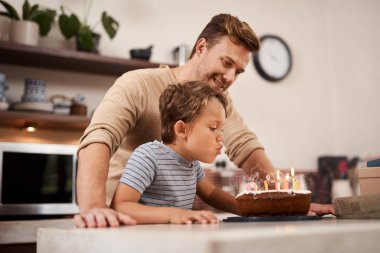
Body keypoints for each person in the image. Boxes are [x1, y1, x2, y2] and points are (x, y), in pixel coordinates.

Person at [74, 13, 334, 228]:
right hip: (117, 223)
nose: (230, 77)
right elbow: (99, 138)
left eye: (238, 71)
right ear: (201, 48)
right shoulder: (138, 84)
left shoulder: (219, 101)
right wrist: (94, 208)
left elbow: (245, 145)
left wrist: (283, 204)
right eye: (226, 62)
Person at [111, 81, 239, 224]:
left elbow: (211, 194)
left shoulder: (192, 164)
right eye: (213, 127)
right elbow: (120, 208)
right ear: (181, 129)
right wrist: (173, 214)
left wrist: (246, 209)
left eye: (221, 129)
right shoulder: (148, 157)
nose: (221, 137)